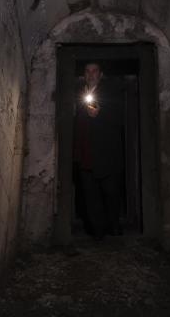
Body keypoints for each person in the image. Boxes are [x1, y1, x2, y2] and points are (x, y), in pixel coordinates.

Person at [72, 62, 125, 239]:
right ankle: (97, 230)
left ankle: (113, 225)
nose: (91, 74)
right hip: (86, 152)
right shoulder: (78, 93)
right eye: (87, 71)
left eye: (94, 71)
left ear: (100, 74)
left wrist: (101, 115)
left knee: (111, 192)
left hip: (107, 152)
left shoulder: (111, 93)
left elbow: (119, 119)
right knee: (90, 194)